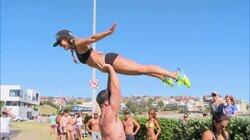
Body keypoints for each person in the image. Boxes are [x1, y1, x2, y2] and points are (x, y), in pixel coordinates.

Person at [52, 23, 191, 88]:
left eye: (60, 42)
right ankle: (162, 77)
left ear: (66, 37)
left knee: (142, 68)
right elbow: (92, 54)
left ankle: (176, 74)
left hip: (110, 61)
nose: (60, 45)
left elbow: (92, 38)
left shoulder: (77, 42)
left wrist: (107, 33)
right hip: (110, 66)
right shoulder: (75, 49)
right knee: (141, 72)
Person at [96, 64, 126, 140]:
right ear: (106, 102)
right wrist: (110, 67)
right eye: (111, 98)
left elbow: (110, 90)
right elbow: (116, 89)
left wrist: (110, 73)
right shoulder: (110, 113)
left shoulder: (102, 118)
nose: (113, 99)